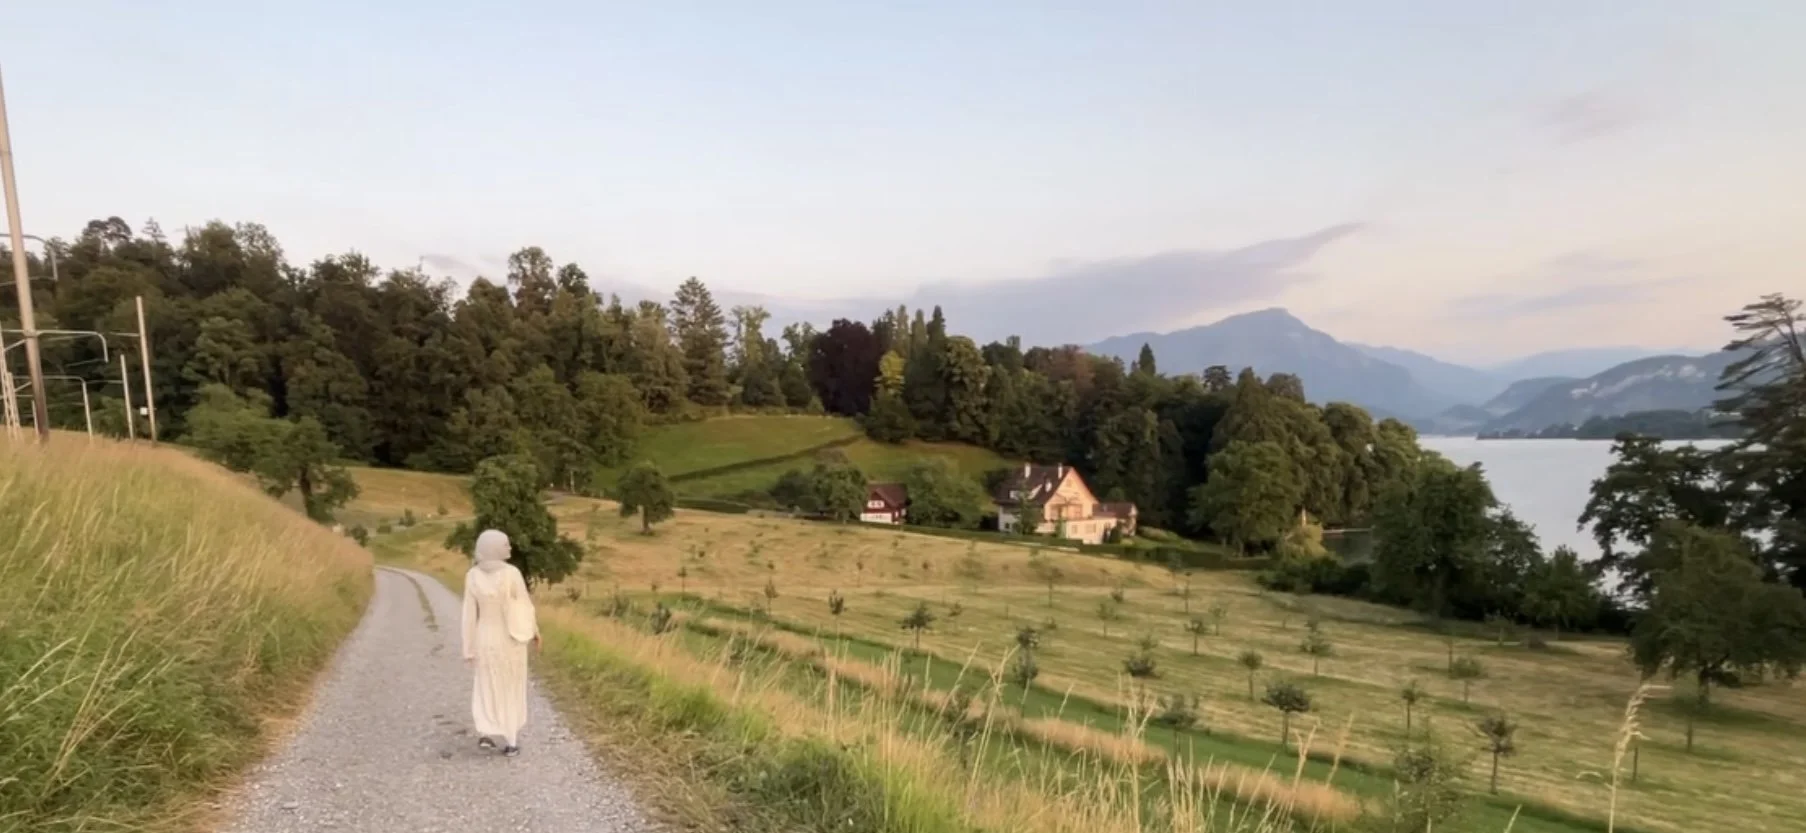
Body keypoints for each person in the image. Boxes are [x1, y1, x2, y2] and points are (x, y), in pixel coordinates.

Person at [461, 529, 540, 757]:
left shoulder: (472, 575)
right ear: (495, 547)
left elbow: (468, 614)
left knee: (486, 683)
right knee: (511, 685)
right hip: (510, 638)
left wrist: (468, 647)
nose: (509, 549)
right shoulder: (512, 573)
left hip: (485, 636)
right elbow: (524, 606)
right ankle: (511, 740)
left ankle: (486, 732)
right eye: (506, 545)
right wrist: (534, 631)